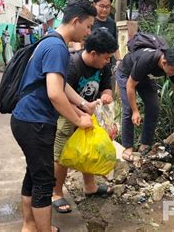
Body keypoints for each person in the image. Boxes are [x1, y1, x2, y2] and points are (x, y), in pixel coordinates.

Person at [10, 0, 97, 232]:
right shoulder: (57, 47)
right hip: (34, 121)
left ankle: (29, 226)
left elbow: (59, 83)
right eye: (88, 26)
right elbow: (55, 93)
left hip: (26, 119)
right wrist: (79, 119)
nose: (89, 32)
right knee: (44, 180)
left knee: (34, 172)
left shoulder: (50, 40)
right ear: (76, 21)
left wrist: (82, 103)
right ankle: (42, 229)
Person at [52, 29, 119, 213]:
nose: (108, 62)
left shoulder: (103, 66)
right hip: (67, 113)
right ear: (93, 54)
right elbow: (62, 98)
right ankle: (56, 193)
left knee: (89, 150)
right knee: (62, 153)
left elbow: (106, 88)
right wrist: (78, 116)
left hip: (89, 113)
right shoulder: (72, 65)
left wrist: (106, 96)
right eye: (106, 58)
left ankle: (90, 187)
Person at [116, 46, 174, 161]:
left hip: (146, 78)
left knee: (154, 107)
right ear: (164, 62)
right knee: (129, 110)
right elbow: (130, 85)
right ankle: (128, 147)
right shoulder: (147, 60)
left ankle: (145, 146)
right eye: (173, 71)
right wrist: (136, 111)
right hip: (126, 74)